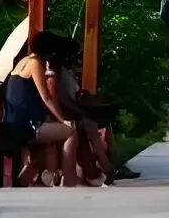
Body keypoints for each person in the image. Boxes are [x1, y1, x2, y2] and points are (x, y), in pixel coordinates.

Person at [45, 35, 139, 184]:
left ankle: (108, 166)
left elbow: (75, 95)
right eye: (72, 55)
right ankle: (108, 169)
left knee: (102, 124)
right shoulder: (55, 74)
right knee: (90, 124)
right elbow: (62, 100)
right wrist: (79, 112)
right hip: (66, 114)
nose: (75, 58)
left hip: (75, 111)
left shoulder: (66, 71)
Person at [0, 31, 83, 187]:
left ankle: (48, 176)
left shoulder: (23, 61)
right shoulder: (35, 63)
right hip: (25, 127)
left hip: (10, 124)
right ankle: (69, 179)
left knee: (52, 137)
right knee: (72, 132)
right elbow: (46, 97)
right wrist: (63, 120)